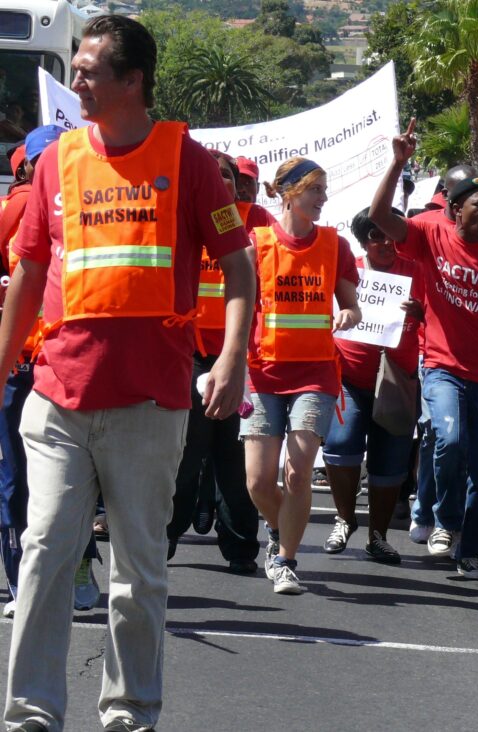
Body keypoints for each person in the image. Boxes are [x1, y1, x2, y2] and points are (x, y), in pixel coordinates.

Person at [0, 15, 256, 731]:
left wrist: (230, 360)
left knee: (136, 572)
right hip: (57, 396)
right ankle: (30, 715)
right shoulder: (57, 160)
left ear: (132, 80)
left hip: (148, 404)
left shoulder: (191, 160)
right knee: (44, 552)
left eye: (88, 71)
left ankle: (129, 713)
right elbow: (27, 273)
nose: (74, 82)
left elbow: (240, 267)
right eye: (77, 70)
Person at [370, 120, 478, 580]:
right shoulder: (429, 234)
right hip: (443, 365)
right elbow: (381, 217)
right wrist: (397, 162)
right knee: (448, 439)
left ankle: (468, 551)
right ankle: (444, 521)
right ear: (455, 210)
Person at [0, 126, 107, 619]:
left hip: (66, 368)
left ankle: (76, 568)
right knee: (20, 482)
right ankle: (27, 579)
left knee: (67, 481)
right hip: (24, 369)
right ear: (27, 168)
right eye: (43, 163)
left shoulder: (91, 215)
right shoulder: (19, 209)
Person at [243, 156, 361, 595]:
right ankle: (282, 529)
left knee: (297, 471)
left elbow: (351, 303)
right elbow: (240, 308)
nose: (323, 198)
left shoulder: (336, 245)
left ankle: (286, 560)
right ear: (289, 193)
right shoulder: (256, 244)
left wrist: (348, 312)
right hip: (262, 375)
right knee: (257, 481)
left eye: (324, 190)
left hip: (315, 376)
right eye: (316, 189)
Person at [166, 150, 275, 575]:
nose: (221, 183)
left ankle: (241, 547)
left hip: (237, 359)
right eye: (212, 176)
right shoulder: (180, 222)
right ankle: (166, 538)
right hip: (188, 357)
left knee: (234, 455)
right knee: (186, 454)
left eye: (227, 176)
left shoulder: (259, 227)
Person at [322, 207, 423, 564]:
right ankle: (344, 519)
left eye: (389, 235)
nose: (384, 243)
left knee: (390, 462)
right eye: (375, 236)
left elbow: (436, 317)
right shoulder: (350, 271)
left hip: (397, 380)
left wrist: (420, 312)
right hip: (349, 377)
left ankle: (377, 536)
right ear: (363, 241)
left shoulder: (416, 271)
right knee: (340, 443)